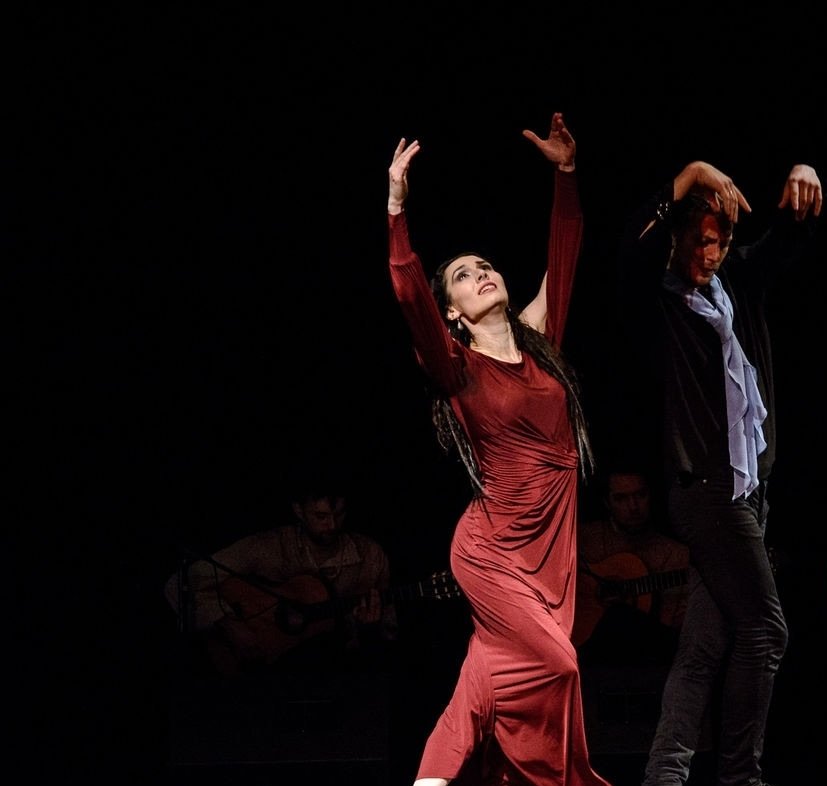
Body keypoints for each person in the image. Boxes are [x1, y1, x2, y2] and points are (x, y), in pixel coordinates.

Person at [386, 112, 612, 786]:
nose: (481, 273)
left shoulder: (540, 341)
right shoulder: (455, 367)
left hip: (550, 548)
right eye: (463, 275)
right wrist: (396, 209)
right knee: (560, 666)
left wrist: (566, 175)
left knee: (484, 680)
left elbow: (564, 255)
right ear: (453, 312)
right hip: (491, 548)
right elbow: (409, 293)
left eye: (484, 265)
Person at [612, 158, 824, 786]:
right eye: (701, 240)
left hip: (749, 490)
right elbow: (629, 245)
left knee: (704, 647)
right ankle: (740, 777)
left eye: (722, 242)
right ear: (678, 236)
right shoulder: (660, 297)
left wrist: (804, 173)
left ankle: (664, 775)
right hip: (705, 490)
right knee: (766, 630)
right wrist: (693, 172)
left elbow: (787, 237)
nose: (711, 254)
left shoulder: (737, 284)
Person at [163, 467, 398, 678]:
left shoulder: (371, 556)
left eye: (340, 514)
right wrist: (228, 624)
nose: (333, 525)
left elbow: (387, 638)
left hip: (339, 675)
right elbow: (178, 583)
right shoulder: (266, 547)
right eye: (321, 516)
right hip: (265, 677)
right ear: (299, 511)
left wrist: (368, 630)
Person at [575, 465, 691, 665]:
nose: (633, 507)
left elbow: (670, 627)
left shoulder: (675, 554)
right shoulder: (583, 539)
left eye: (640, 495)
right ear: (607, 502)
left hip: (645, 654)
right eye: (621, 498)